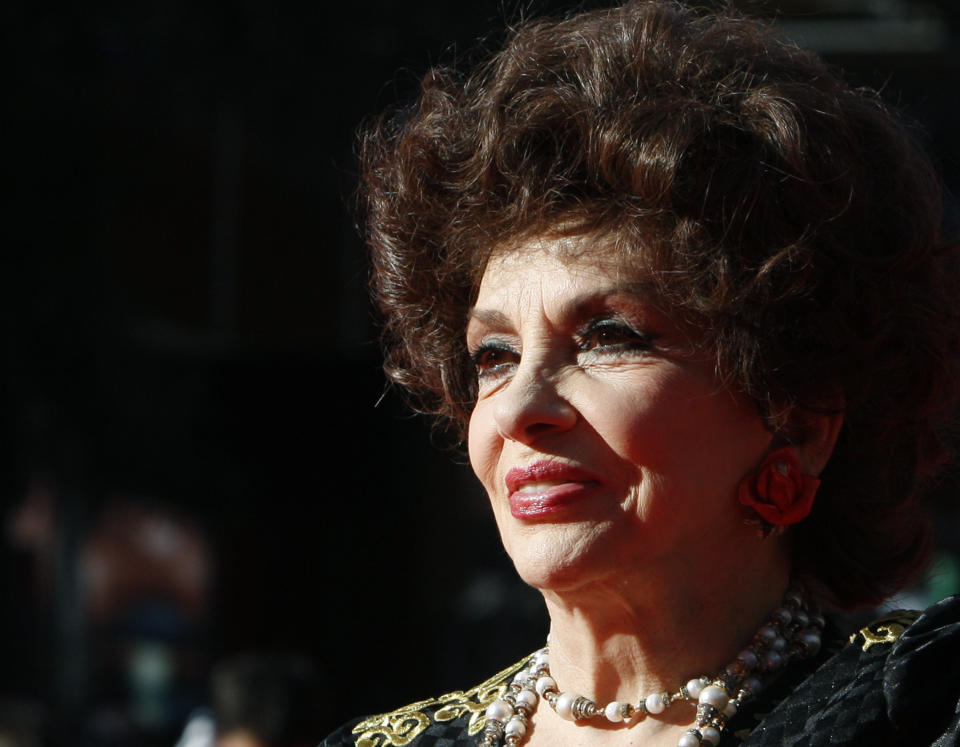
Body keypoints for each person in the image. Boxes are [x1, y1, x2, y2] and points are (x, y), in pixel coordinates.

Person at [323, 1, 960, 744]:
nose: (521, 407)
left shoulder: (914, 714)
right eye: (493, 356)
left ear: (799, 417)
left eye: (609, 338)